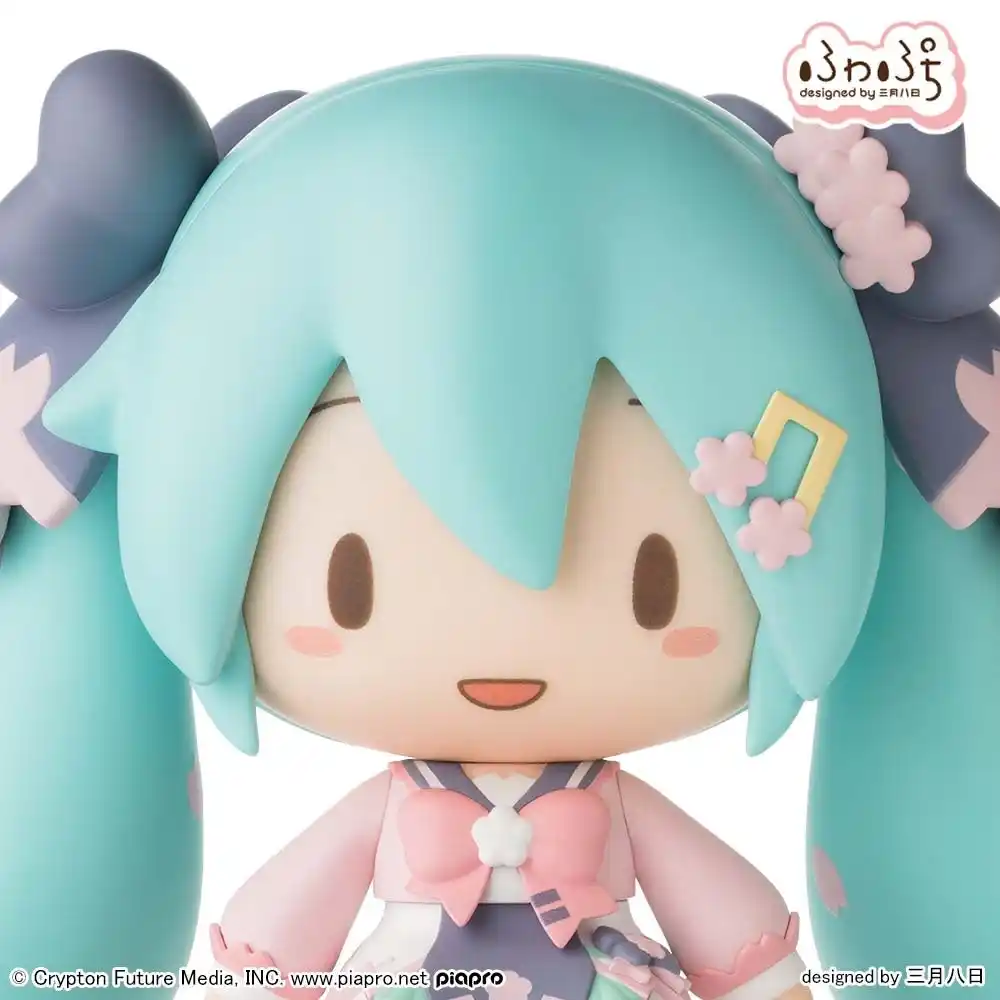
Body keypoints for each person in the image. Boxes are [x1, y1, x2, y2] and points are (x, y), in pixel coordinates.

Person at [3, 52, 997, 1000]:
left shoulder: (612, 812)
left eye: (655, 582)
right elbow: (281, 926)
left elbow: (724, 917)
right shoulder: (398, 813)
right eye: (353, 583)